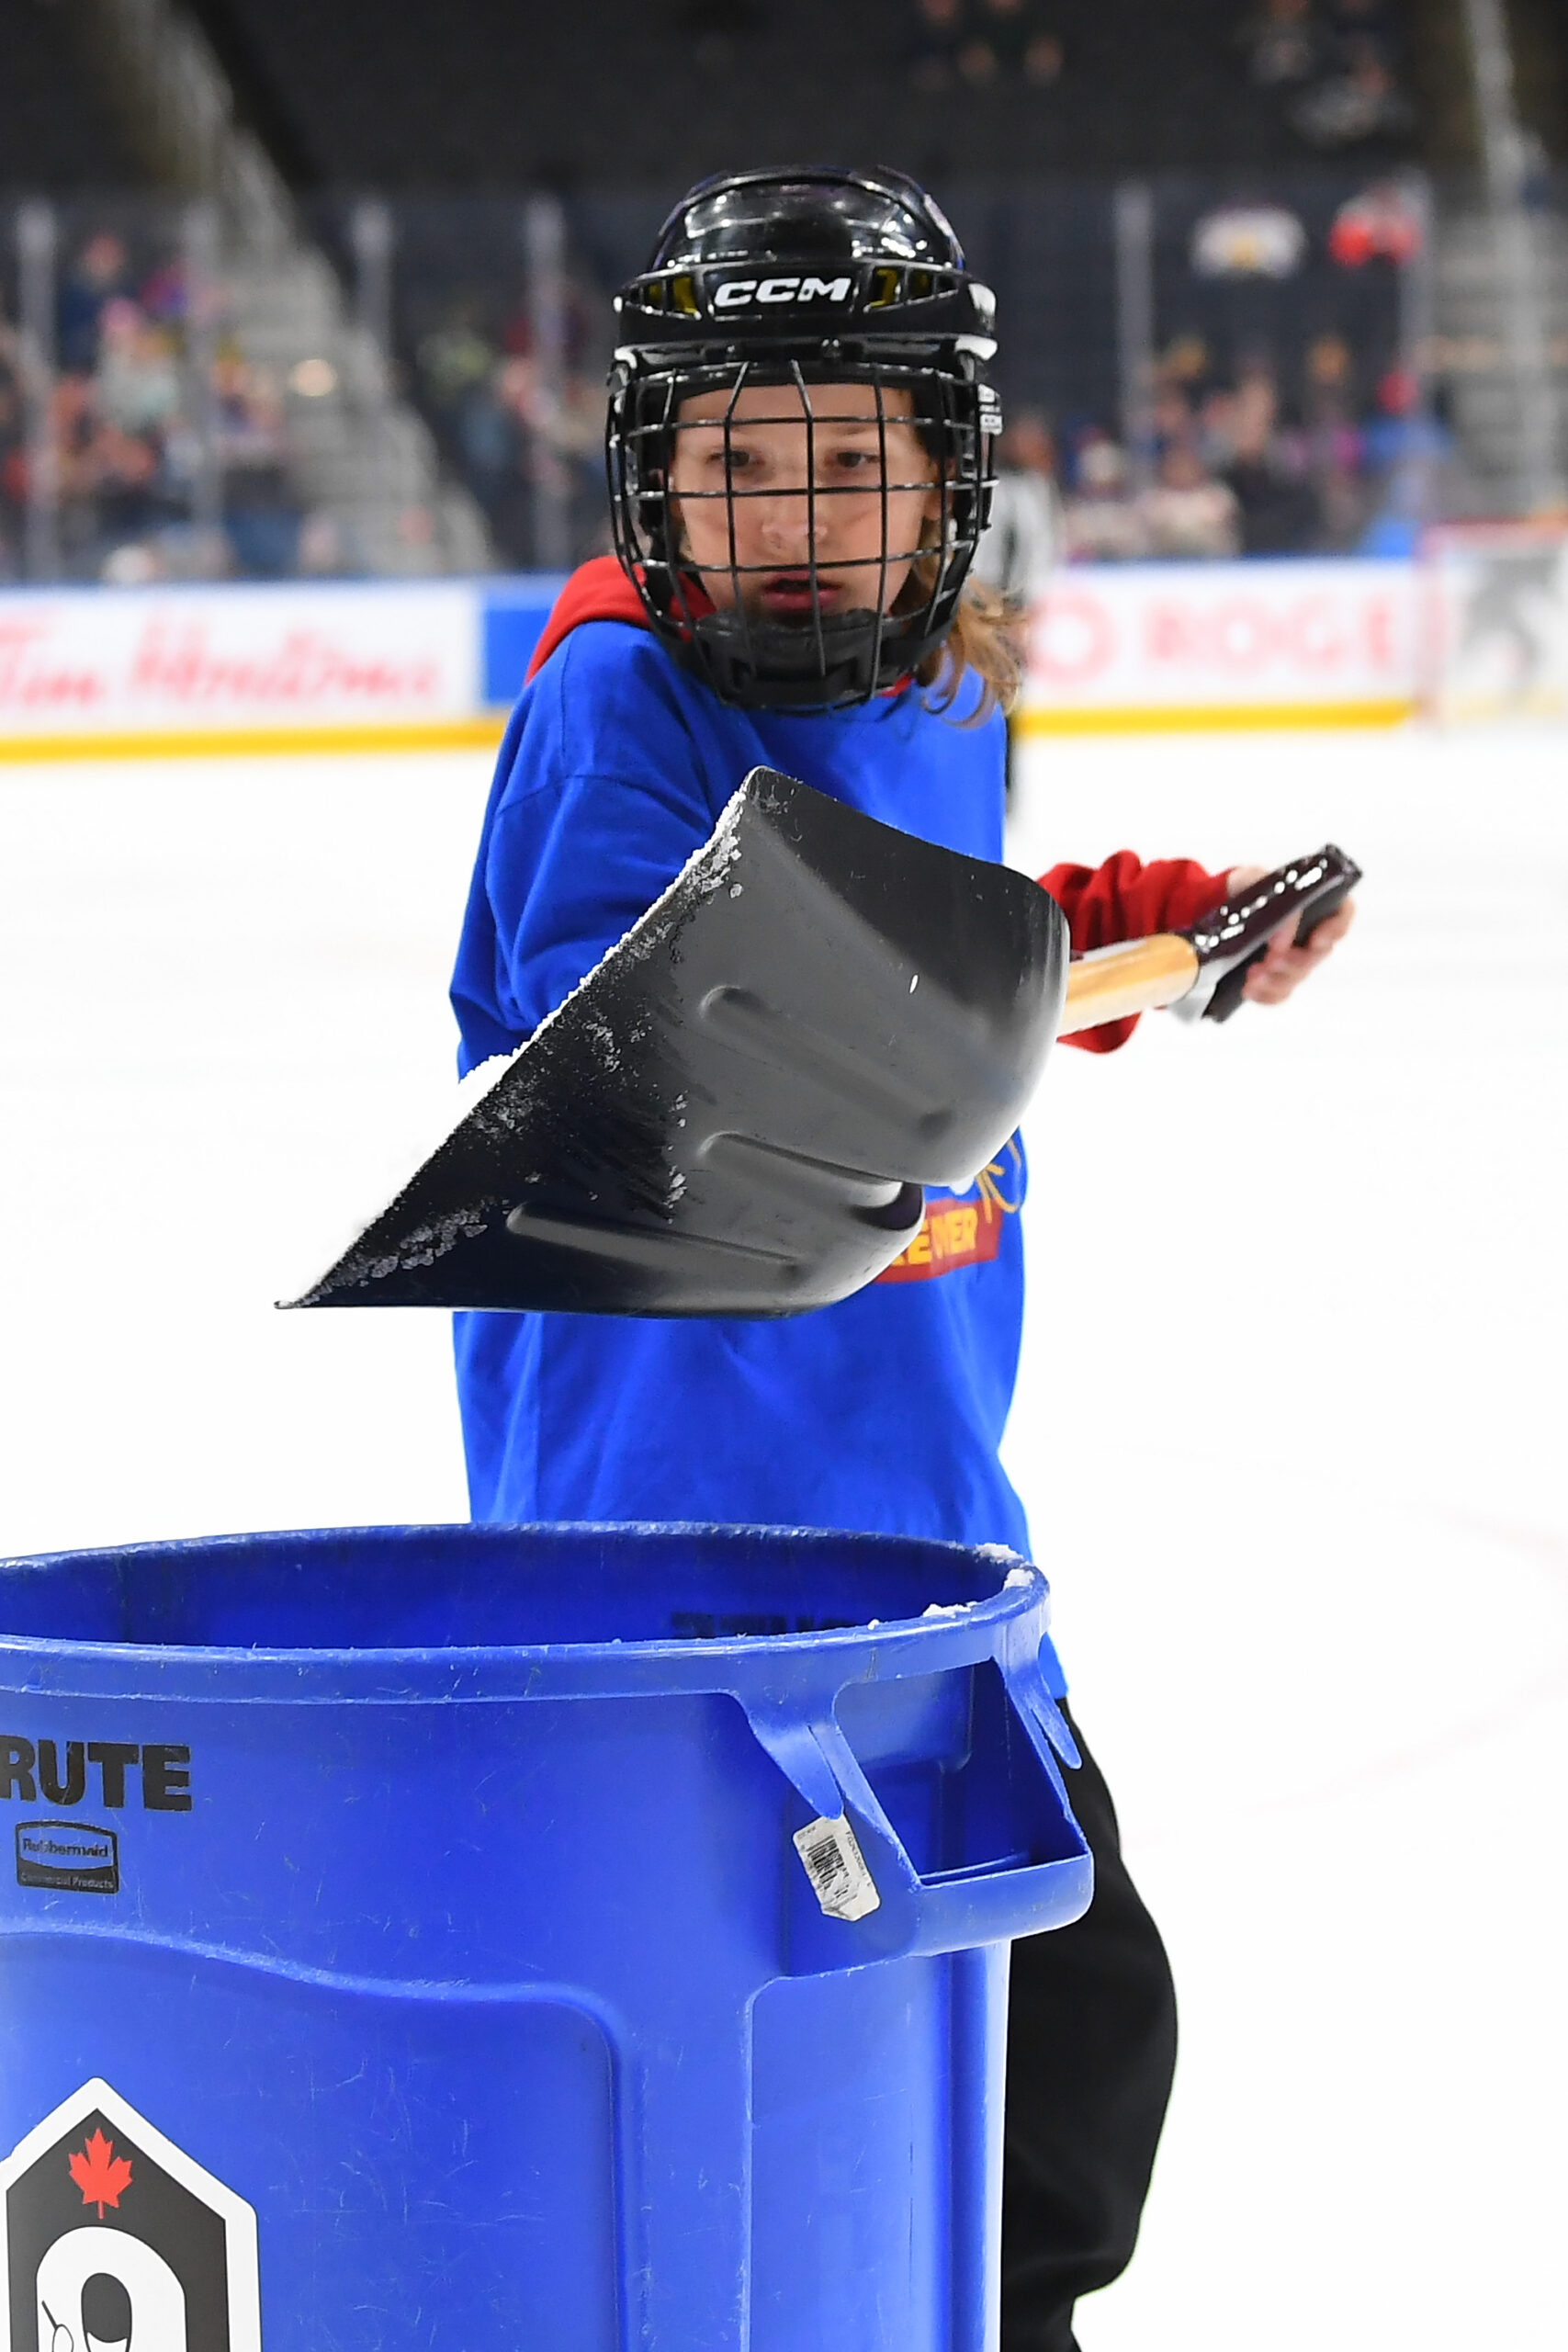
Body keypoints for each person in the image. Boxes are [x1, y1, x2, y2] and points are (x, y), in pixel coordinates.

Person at [449, 166, 1352, 2352]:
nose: (792, 517)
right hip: (661, 1570)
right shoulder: (616, 700)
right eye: (735, 459)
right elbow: (653, 1034)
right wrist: (1026, 982)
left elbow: (952, 935)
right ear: (649, 473)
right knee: (725, 2090)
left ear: (947, 475)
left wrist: (1150, 924)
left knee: (1068, 2050)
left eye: (848, 459)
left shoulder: (947, 700)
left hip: (930, 1530)